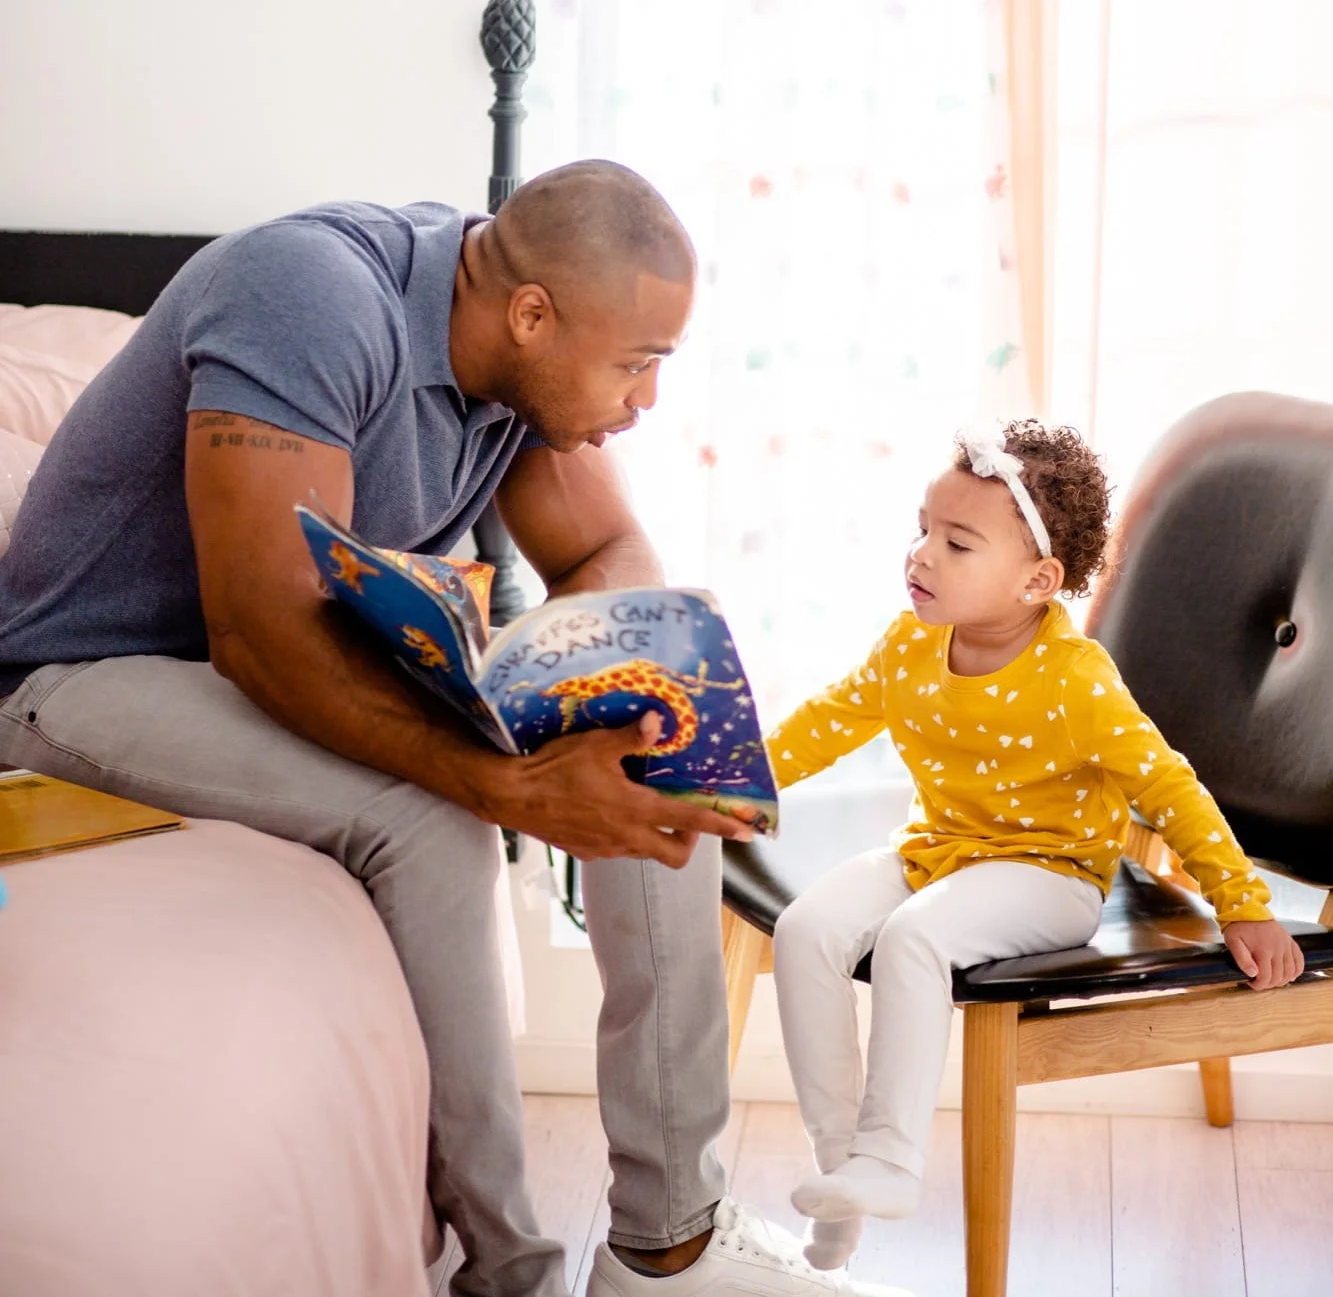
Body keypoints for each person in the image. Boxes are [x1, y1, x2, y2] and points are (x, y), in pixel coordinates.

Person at [0, 162, 907, 1297]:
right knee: (431, 820)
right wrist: (507, 786)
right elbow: (259, 628)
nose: (645, 400)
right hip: (84, 672)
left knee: (652, 752)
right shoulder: (306, 296)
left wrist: (613, 692)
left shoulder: (512, 355)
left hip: (259, 657)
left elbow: (603, 556)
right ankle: (507, 1268)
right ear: (533, 313)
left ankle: (664, 1242)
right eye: (636, 363)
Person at [766, 418, 1305, 1271]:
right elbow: (826, 723)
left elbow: (1168, 789)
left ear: (1036, 581)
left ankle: (890, 1160)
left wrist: (1242, 906)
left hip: (1048, 876)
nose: (920, 555)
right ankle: (841, 1169)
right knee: (803, 930)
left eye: (956, 543)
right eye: (921, 529)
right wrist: (736, 783)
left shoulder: (1075, 681)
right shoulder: (910, 645)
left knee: (914, 939)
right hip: (938, 850)